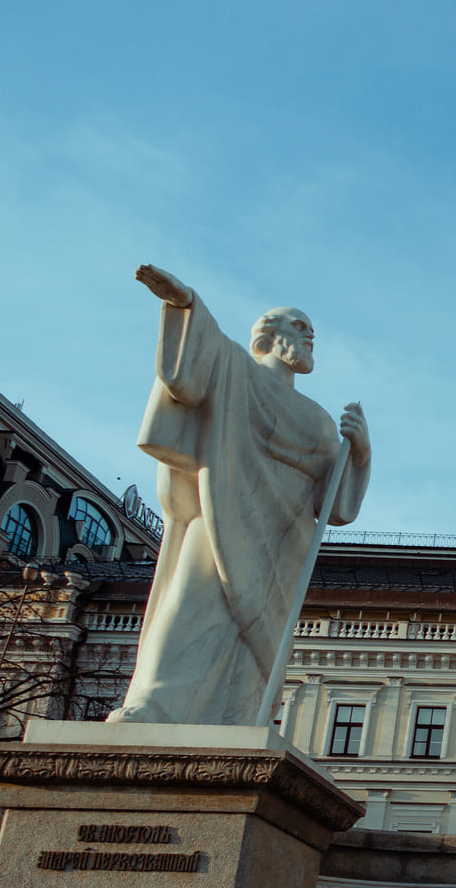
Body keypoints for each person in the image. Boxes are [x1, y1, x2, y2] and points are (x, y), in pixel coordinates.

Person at [112, 264, 370, 726]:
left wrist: (361, 454)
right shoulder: (234, 371)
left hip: (284, 530)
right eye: (300, 327)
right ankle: (155, 702)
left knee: (258, 630)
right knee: (195, 598)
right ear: (267, 336)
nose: (310, 337)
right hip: (223, 503)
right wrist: (184, 304)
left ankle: (239, 715)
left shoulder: (319, 420)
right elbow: (188, 373)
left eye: (312, 331)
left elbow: (332, 506)